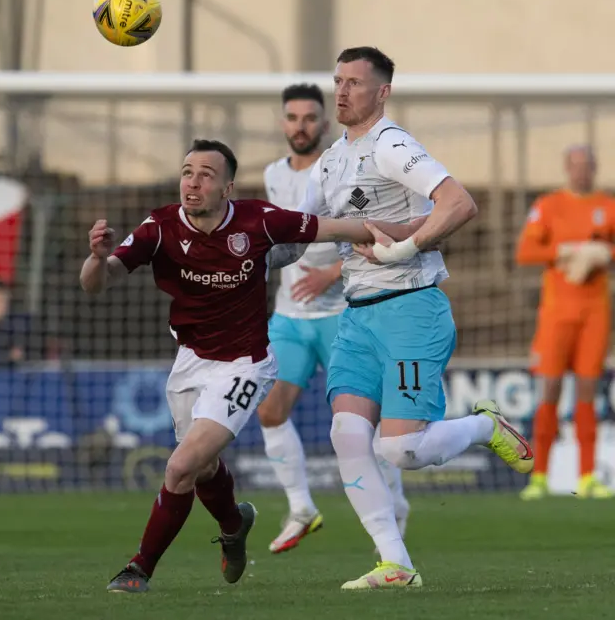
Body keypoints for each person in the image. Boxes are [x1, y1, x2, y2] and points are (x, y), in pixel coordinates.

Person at [80, 138, 424, 593]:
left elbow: (340, 226)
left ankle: (138, 569)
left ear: (228, 186)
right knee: (200, 469)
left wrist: (416, 232)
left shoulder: (258, 220)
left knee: (181, 466)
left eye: (206, 174)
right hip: (190, 361)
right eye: (187, 172)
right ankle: (233, 525)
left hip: (245, 365)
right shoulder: (158, 228)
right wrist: (97, 258)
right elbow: (95, 285)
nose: (193, 182)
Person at [293, 46, 534, 590]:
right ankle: (395, 563)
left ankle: (483, 425)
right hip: (356, 317)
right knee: (347, 434)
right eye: (338, 81)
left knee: (399, 449)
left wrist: (406, 248)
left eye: (356, 82)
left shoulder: (391, 145)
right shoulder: (330, 161)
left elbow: (459, 203)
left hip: (410, 308)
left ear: (382, 92)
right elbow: (303, 236)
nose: (343, 91)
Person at [259, 83, 410, 554]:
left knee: (366, 425)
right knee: (269, 410)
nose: (300, 126)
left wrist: (330, 272)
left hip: (343, 312)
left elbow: (374, 235)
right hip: (289, 316)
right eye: (292, 117)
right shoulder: (271, 175)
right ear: (283, 123)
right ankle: (302, 507)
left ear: (324, 123)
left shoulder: (341, 168)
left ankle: (394, 503)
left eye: (309, 118)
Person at [516, 144, 615, 500]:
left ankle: (587, 476)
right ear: (566, 168)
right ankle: (538, 475)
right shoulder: (548, 206)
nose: (582, 172)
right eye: (576, 166)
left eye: (587, 166)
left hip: (595, 313)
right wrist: (564, 251)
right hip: (557, 314)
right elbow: (525, 252)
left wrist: (604, 253)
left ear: (595, 168)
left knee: (589, 390)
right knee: (550, 390)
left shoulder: (607, 206)